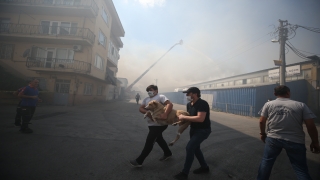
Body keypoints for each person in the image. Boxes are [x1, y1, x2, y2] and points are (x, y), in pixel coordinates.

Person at [257, 85, 320, 180]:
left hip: (273, 139)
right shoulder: (300, 105)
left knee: (266, 162)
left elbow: (262, 121)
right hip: (295, 141)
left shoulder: (268, 104)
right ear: (288, 93)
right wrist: (315, 142)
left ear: (275, 94)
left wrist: (262, 134)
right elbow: (310, 125)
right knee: (300, 169)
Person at [130, 85, 173, 167]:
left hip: (160, 124)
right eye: (148, 90)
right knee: (159, 139)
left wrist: (165, 114)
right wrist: (148, 114)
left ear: (156, 90)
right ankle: (168, 153)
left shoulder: (161, 97)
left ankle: (139, 161)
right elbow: (141, 108)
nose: (149, 91)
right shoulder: (146, 99)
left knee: (150, 141)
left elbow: (169, 104)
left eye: (151, 90)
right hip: (151, 124)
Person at [173, 87, 211, 180]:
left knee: (190, 147)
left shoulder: (202, 103)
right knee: (196, 148)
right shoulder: (189, 104)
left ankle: (184, 173)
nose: (186, 95)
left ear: (195, 94)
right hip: (193, 129)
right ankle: (205, 167)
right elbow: (189, 118)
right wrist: (178, 122)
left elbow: (200, 118)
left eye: (188, 93)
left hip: (203, 130)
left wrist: (184, 117)